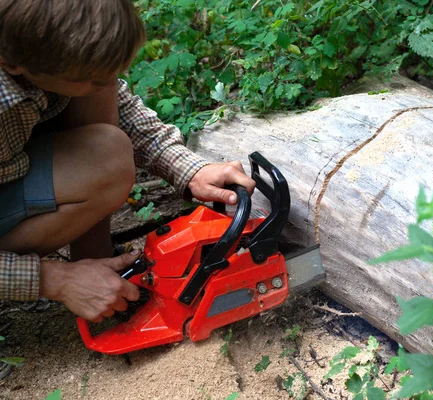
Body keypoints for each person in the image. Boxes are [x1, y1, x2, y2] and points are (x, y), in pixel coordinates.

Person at [0, 1, 255, 323]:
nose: (110, 84)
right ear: (9, 63)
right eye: (93, 78)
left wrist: (190, 170)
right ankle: (83, 281)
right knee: (108, 156)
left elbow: (118, 102)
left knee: (102, 131)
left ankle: (97, 262)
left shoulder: (46, 51)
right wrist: (54, 280)